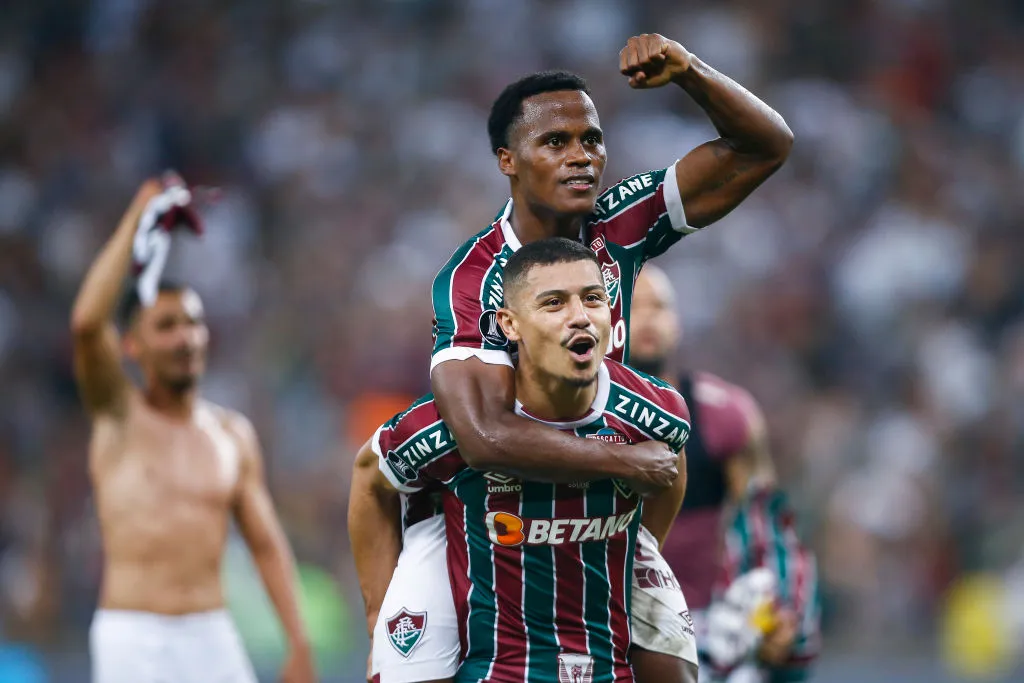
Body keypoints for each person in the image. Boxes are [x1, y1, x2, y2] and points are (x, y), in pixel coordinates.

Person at [354, 31, 793, 682]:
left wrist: (689, 71)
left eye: (591, 139)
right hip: (477, 512)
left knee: (672, 669)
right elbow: (481, 437)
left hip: (594, 495)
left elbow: (766, 145)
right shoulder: (473, 279)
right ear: (508, 160)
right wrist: (626, 462)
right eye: (555, 142)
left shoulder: (620, 224)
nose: (581, 157)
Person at [353, 238, 693, 682]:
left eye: (593, 299)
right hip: (491, 665)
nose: (579, 316)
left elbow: (668, 472)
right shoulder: (454, 425)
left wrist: (637, 551)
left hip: (605, 659)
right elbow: (371, 475)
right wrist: (377, 614)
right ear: (510, 324)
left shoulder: (658, 413)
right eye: (554, 303)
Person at [70, 177, 316, 683]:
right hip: (134, 635)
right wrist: (138, 215)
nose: (185, 338)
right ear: (132, 346)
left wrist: (298, 641)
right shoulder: (117, 414)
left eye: (192, 322)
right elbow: (87, 325)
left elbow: (266, 543)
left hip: (211, 633)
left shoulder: (232, 434)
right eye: (166, 326)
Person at [627, 265, 821, 682]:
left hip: (707, 627)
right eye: (633, 305)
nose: (647, 319)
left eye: (658, 307)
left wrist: (782, 613)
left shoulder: (724, 414)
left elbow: (766, 527)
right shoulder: (573, 420)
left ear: (677, 322)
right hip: (609, 624)